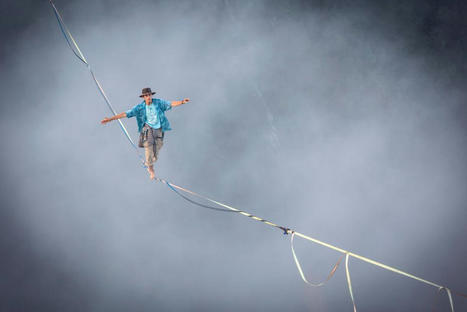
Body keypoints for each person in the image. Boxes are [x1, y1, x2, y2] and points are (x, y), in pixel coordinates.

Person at [101, 87, 189, 179]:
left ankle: (151, 162)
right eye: (146, 96)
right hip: (147, 129)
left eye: (149, 95)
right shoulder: (139, 108)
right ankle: (151, 169)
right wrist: (110, 119)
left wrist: (182, 102)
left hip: (159, 129)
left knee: (156, 153)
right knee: (148, 148)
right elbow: (125, 114)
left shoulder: (158, 103)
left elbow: (170, 103)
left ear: (151, 95)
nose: (148, 97)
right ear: (143, 97)